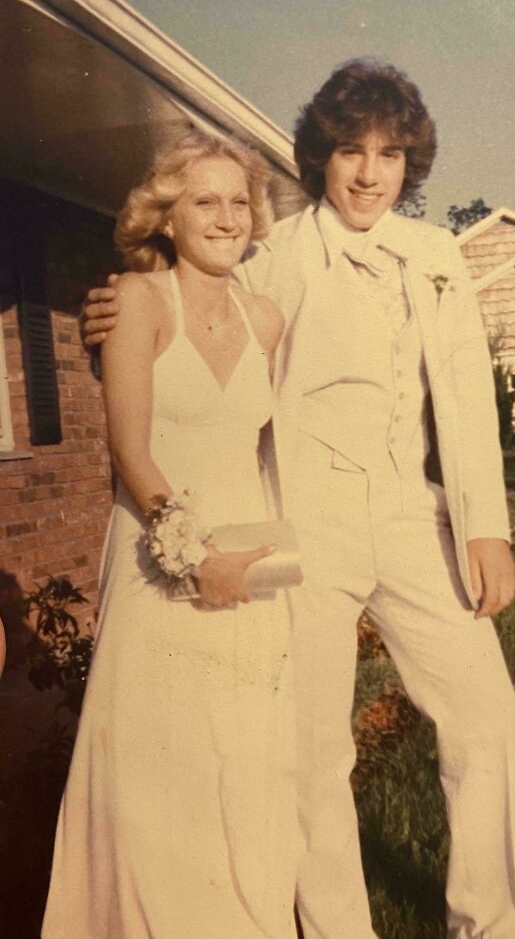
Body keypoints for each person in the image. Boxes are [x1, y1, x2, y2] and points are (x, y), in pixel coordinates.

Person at [83, 61, 515, 939]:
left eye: (390, 155)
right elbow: (185, 306)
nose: (370, 173)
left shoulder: (436, 257)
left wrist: (486, 526)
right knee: (314, 750)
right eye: (350, 152)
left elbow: (468, 404)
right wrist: (106, 308)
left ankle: (496, 922)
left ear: (411, 164)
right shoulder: (273, 256)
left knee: (487, 717)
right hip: (307, 518)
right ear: (319, 160)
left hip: (413, 513)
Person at [43, 132, 298, 939]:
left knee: (243, 761)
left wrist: (253, 560)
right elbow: (130, 450)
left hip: (249, 565)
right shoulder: (139, 302)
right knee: (163, 767)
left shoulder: (267, 317)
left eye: (236, 202)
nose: (224, 218)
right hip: (163, 553)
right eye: (203, 201)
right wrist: (195, 556)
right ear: (167, 216)